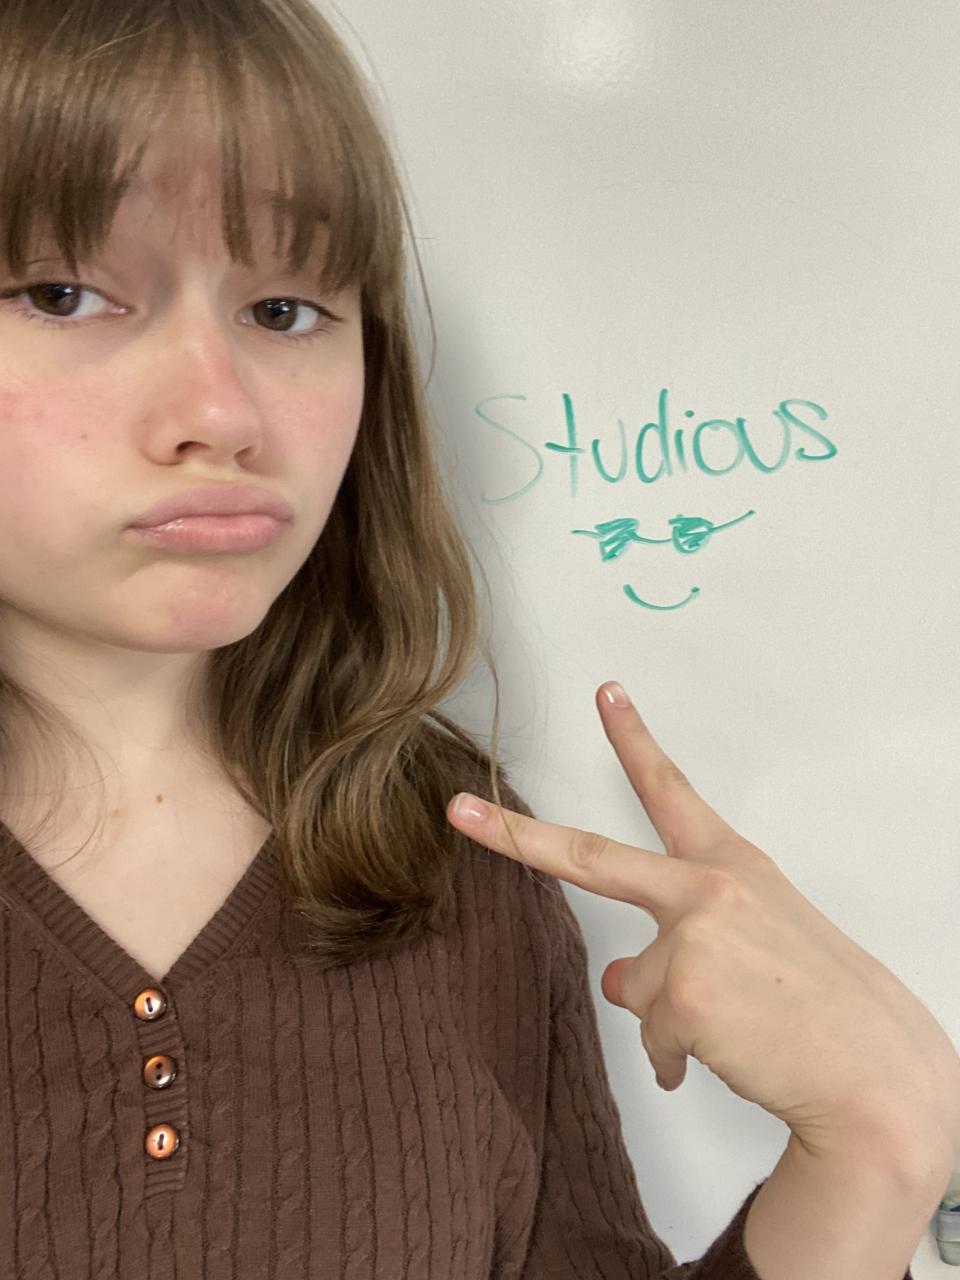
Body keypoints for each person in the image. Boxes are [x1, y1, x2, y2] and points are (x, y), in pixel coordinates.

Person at [0, 1, 955, 1276]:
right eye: (65, 293)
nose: (222, 412)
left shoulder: (451, 860)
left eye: (283, 309)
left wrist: (877, 1145)